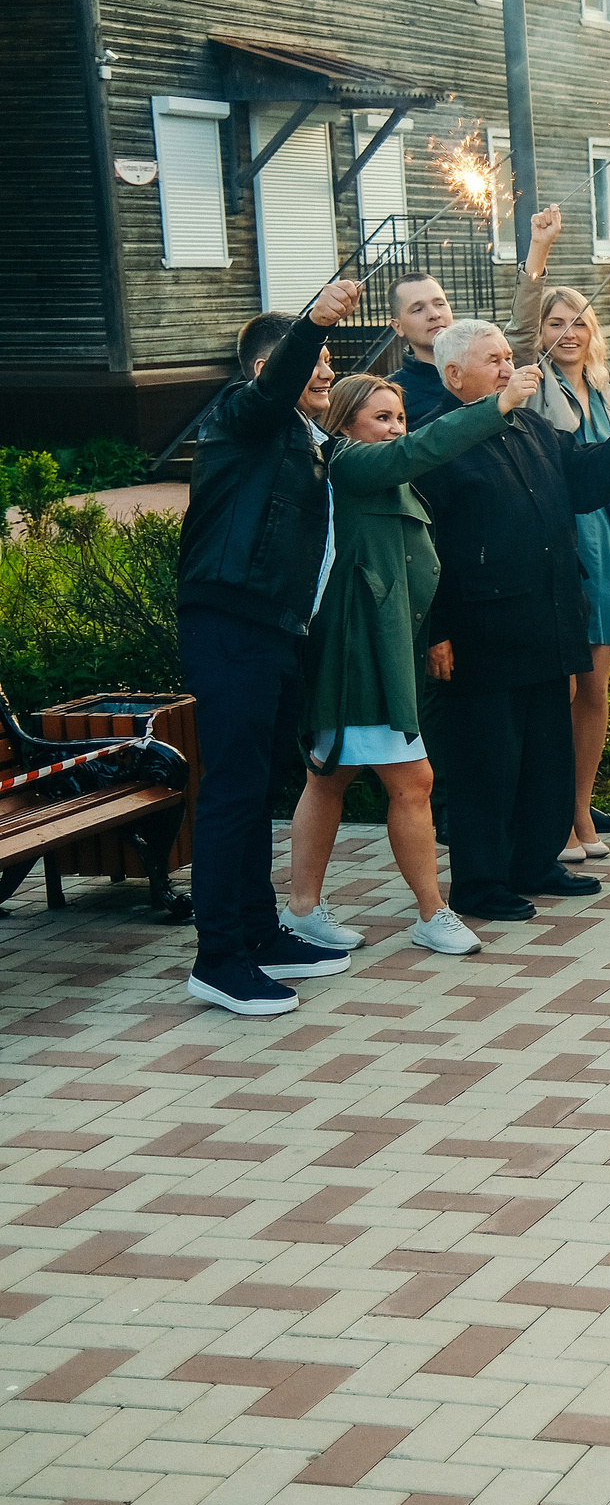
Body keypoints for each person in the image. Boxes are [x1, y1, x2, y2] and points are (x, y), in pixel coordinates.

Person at [416, 321, 610, 920]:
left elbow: (584, 480)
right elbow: (425, 546)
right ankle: (480, 883)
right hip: (481, 630)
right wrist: (437, 629)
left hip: (548, 617)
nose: (510, 368)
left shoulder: (532, 427)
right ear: (454, 375)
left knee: (546, 753)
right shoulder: (437, 441)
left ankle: (534, 861)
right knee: (488, 762)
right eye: (494, 360)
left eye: (509, 357)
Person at [174, 281, 366, 1016]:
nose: (326, 371)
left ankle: (258, 932)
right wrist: (312, 324)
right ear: (269, 368)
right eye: (314, 360)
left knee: (258, 789)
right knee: (232, 790)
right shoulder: (240, 415)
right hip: (232, 621)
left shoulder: (304, 441)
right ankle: (218, 959)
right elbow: (270, 393)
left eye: (329, 360)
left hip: (278, 628)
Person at [287, 373, 521, 960]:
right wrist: (497, 405)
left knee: (328, 779)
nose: (397, 429)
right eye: (382, 418)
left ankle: (302, 909)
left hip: (380, 649)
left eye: (400, 417)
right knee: (413, 782)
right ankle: (431, 913)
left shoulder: (382, 472)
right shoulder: (350, 464)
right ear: (345, 424)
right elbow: (423, 448)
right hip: (360, 655)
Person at [515, 206, 610, 858]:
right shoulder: (533, 386)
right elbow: (520, 331)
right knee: (562, 688)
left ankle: (580, 810)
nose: (567, 333)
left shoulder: (609, 394)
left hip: (602, 552)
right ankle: (551, 819)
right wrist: (539, 255)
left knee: (594, 692)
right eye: (556, 322)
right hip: (555, 548)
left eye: (578, 322)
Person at [386, 271, 455, 420]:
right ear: (398, 326)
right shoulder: (393, 393)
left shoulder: (488, 368)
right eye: (418, 309)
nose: (434, 314)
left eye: (440, 304)